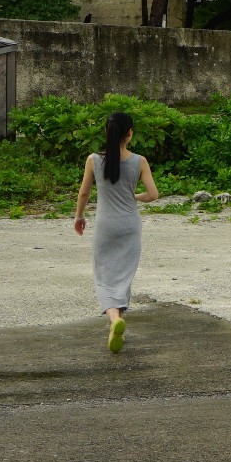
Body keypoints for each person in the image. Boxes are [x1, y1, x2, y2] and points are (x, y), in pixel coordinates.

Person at [73, 111, 159, 352]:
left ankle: (115, 320)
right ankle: (118, 320)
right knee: (123, 276)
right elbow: (153, 195)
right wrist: (134, 196)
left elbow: (84, 193)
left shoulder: (93, 160)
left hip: (105, 226)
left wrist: (79, 216)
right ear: (129, 133)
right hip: (130, 226)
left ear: (106, 132)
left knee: (104, 276)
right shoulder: (139, 161)